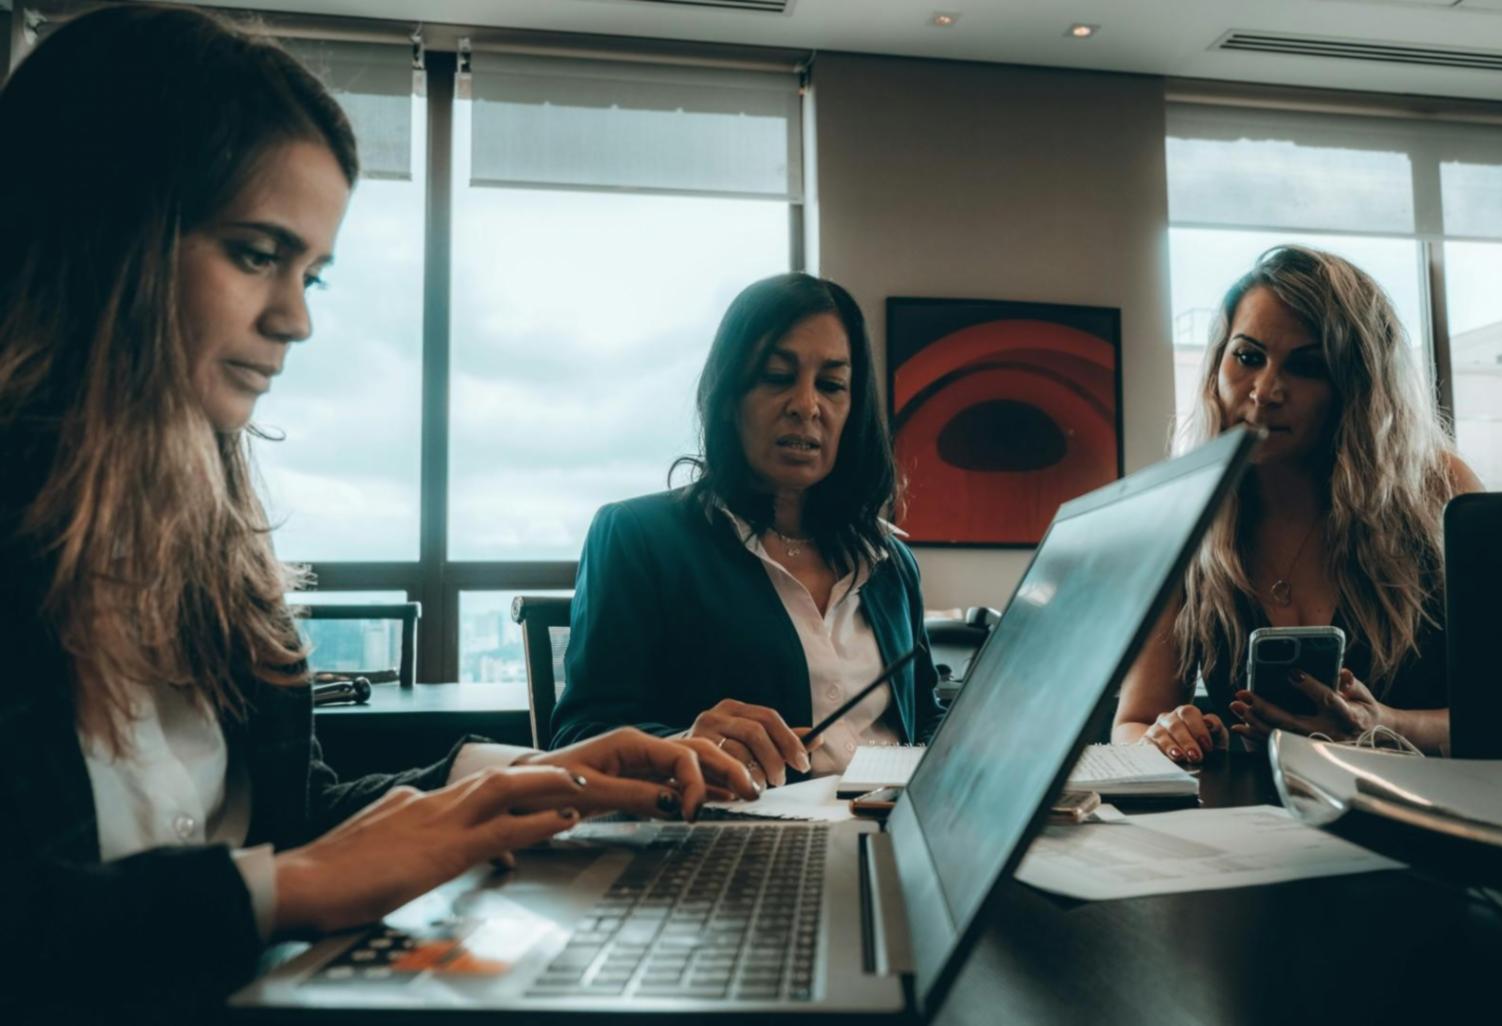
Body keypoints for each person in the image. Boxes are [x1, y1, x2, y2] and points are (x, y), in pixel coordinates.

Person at [0, 6, 754, 1018]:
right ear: (100, 232)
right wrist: (285, 891)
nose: (297, 319)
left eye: (310, 273)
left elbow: (288, 818)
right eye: (256, 254)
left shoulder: (207, 549)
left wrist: (523, 780)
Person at [549, 273, 944, 787]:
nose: (807, 406)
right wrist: (681, 746)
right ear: (728, 397)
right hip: (744, 823)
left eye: (831, 386)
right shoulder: (637, 538)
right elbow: (578, 737)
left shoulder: (889, 560)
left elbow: (926, 718)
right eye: (777, 377)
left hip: (898, 819)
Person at [1113, 246, 1482, 762]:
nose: (1265, 391)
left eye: (1307, 366)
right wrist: (1169, 735)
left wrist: (1383, 725)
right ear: (1217, 362)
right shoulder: (1187, 516)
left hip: (1425, 807)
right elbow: (1133, 723)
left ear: (1356, 386)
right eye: (1248, 357)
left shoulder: (1438, 489)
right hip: (1258, 811)